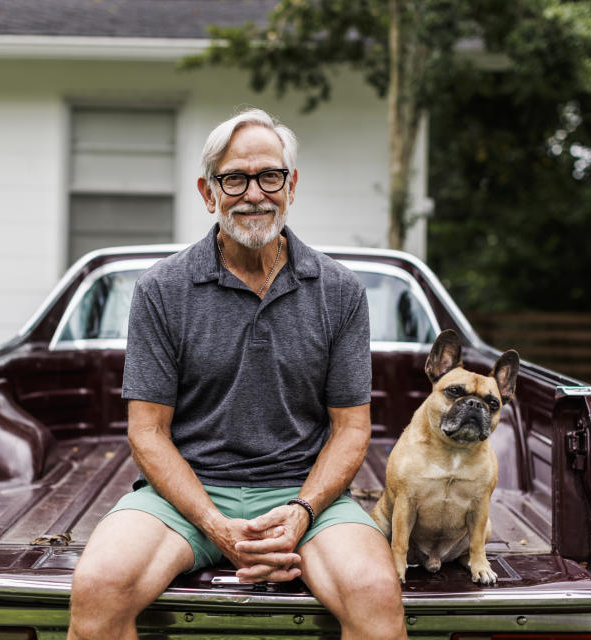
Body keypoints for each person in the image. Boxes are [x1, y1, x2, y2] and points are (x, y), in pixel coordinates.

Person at [67, 108, 407, 640]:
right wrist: (214, 525)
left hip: (305, 495)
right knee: (98, 588)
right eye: (235, 178)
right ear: (208, 193)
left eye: (270, 176)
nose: (254, 193)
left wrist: (299, 512)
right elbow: (147, 431)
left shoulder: (340, 291)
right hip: (187, 496)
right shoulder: (163, 289)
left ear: (291, 185)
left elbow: (351, 429)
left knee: (375, 595)